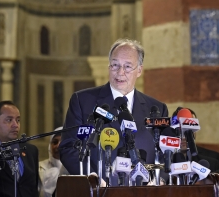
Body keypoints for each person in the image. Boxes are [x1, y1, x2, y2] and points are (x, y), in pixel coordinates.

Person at [60, 38, 168, 186]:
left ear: (139, 70)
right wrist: (91, 179)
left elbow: (165, 153)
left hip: (145, 195)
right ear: (109, 66)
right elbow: (68, 147)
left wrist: (158, 180)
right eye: (115, 65)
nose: (120, 72)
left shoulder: (155, 108)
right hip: (98, 194)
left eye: (128, 66)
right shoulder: (83, 101)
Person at [171, 107, 219, 171]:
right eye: (180, 129)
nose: (183, 136)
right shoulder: (163, 161)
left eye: (189, 127)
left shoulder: (212, 160)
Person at [38, 126, 69, 197]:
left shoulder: (76, 169)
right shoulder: (39, 168)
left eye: (62, 142)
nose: (58, 146)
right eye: (54, 142)